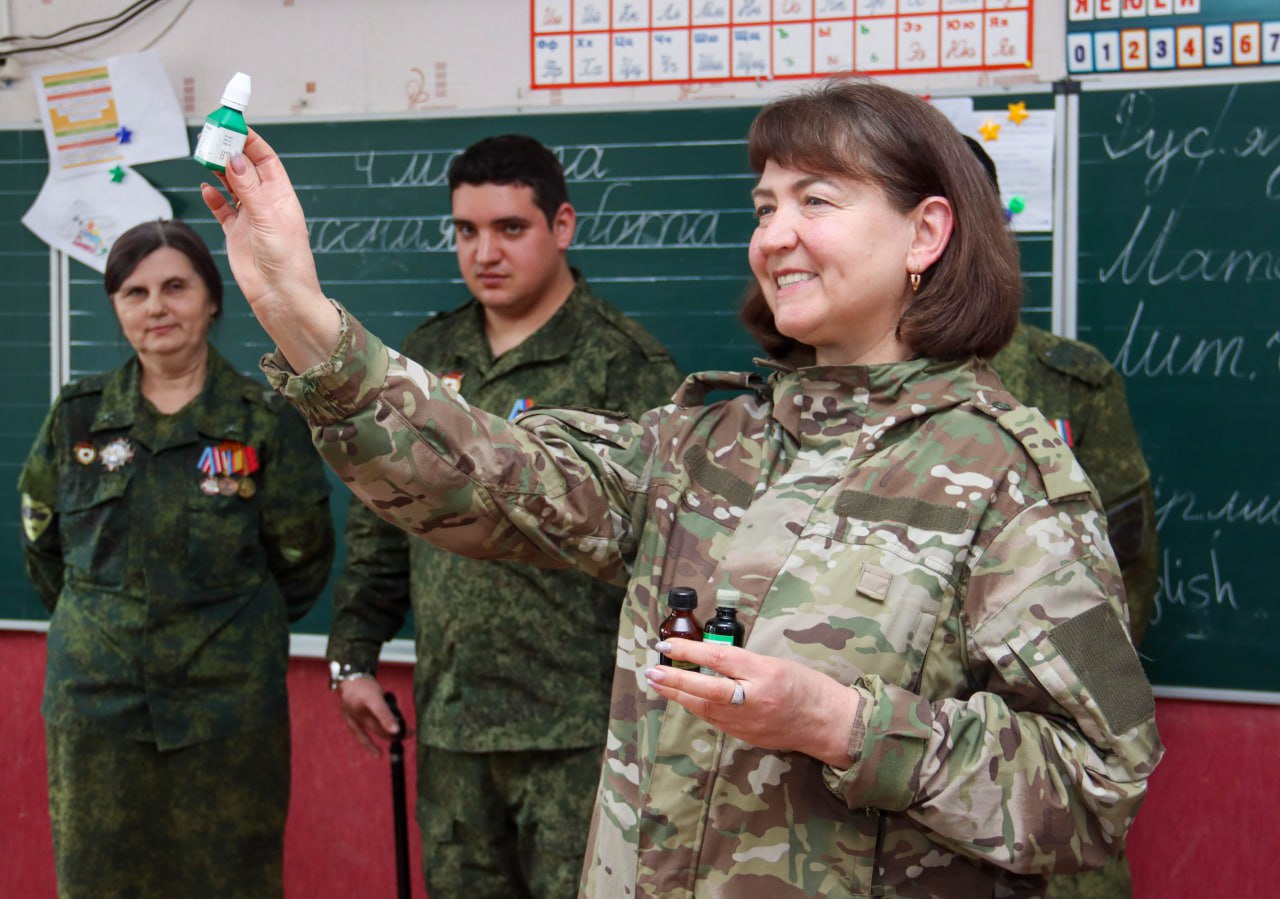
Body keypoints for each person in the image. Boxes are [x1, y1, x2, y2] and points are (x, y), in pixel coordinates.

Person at [202, 79, 1163, 897]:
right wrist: (298, 313)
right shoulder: (706, 442)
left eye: (816, 200)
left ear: (927, 231)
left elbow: (1099, 783)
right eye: (764, 207)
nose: (776, 235)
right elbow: (483, 478)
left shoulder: (1010, 476)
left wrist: (842, 724)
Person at [326, 134, 682, 898]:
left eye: (510, 228)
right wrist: (354, 655)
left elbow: (669, 552)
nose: (484, 252)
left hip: (582, 732)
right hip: (454, 722)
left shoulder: (625, 363)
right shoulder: (425, 356)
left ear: (562, 226)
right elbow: (380, 521)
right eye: (466, 230)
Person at [18, 220, 335, 899]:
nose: (156, 307)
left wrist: (226, 635)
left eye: (175, 287)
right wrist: (105, 624)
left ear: (211, 298)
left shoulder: (262, 419)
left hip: (227, 712)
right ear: (116, 305)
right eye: (135, 292)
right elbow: (43, 550)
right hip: (97, 708)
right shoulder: (76, 418)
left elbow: (302, 557)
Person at [962, 135, 1160, 899]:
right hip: (884, 787)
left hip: (1048, 780)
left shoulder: (1067, 382)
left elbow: (1126, 579)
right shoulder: (824, 396)